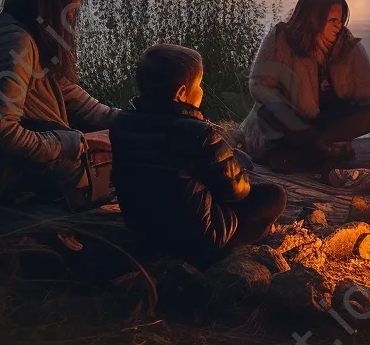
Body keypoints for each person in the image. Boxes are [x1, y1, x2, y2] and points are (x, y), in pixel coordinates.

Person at [110, 44, 286, 268]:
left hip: (143, 231)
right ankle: (223, 257)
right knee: (273, 196)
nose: (202, 90)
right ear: (182, 94)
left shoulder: (121, 125)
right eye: (199, 85)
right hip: (198, 242)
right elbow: (237, 191)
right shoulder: (199, 134)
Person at [0, 0, 120, 206]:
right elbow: (0, 130)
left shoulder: (34, 41)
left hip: (37, 175)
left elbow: (84, 106)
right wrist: (78, 143)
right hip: (20, 184)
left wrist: (145, 121)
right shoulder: (16, 43)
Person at [238, 0, 370, 170]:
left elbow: (369, 94)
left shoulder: (348, 46)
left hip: (328, 123)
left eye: (340, 20)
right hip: (295, 122)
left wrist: (347, 118)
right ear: (313, 19)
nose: (338, 26)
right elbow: (260, 86)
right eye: (332, 20)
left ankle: (314, 149)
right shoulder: (282, 38)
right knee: (270, 112)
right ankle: (321, 151)